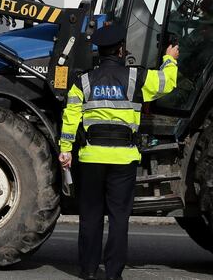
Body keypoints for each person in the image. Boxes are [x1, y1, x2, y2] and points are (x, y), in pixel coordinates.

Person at [59, 24, 180, 280]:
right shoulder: (137, 78)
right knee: (118, 218)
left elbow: (70, 117)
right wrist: (170, 58)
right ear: (121, 50)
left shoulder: (83, 81)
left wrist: (65, 150)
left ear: (99, 52)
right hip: (124, 158)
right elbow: (167, 83)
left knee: (90, 216)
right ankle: (113, 273)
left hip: (91, 158)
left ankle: (88, 270)